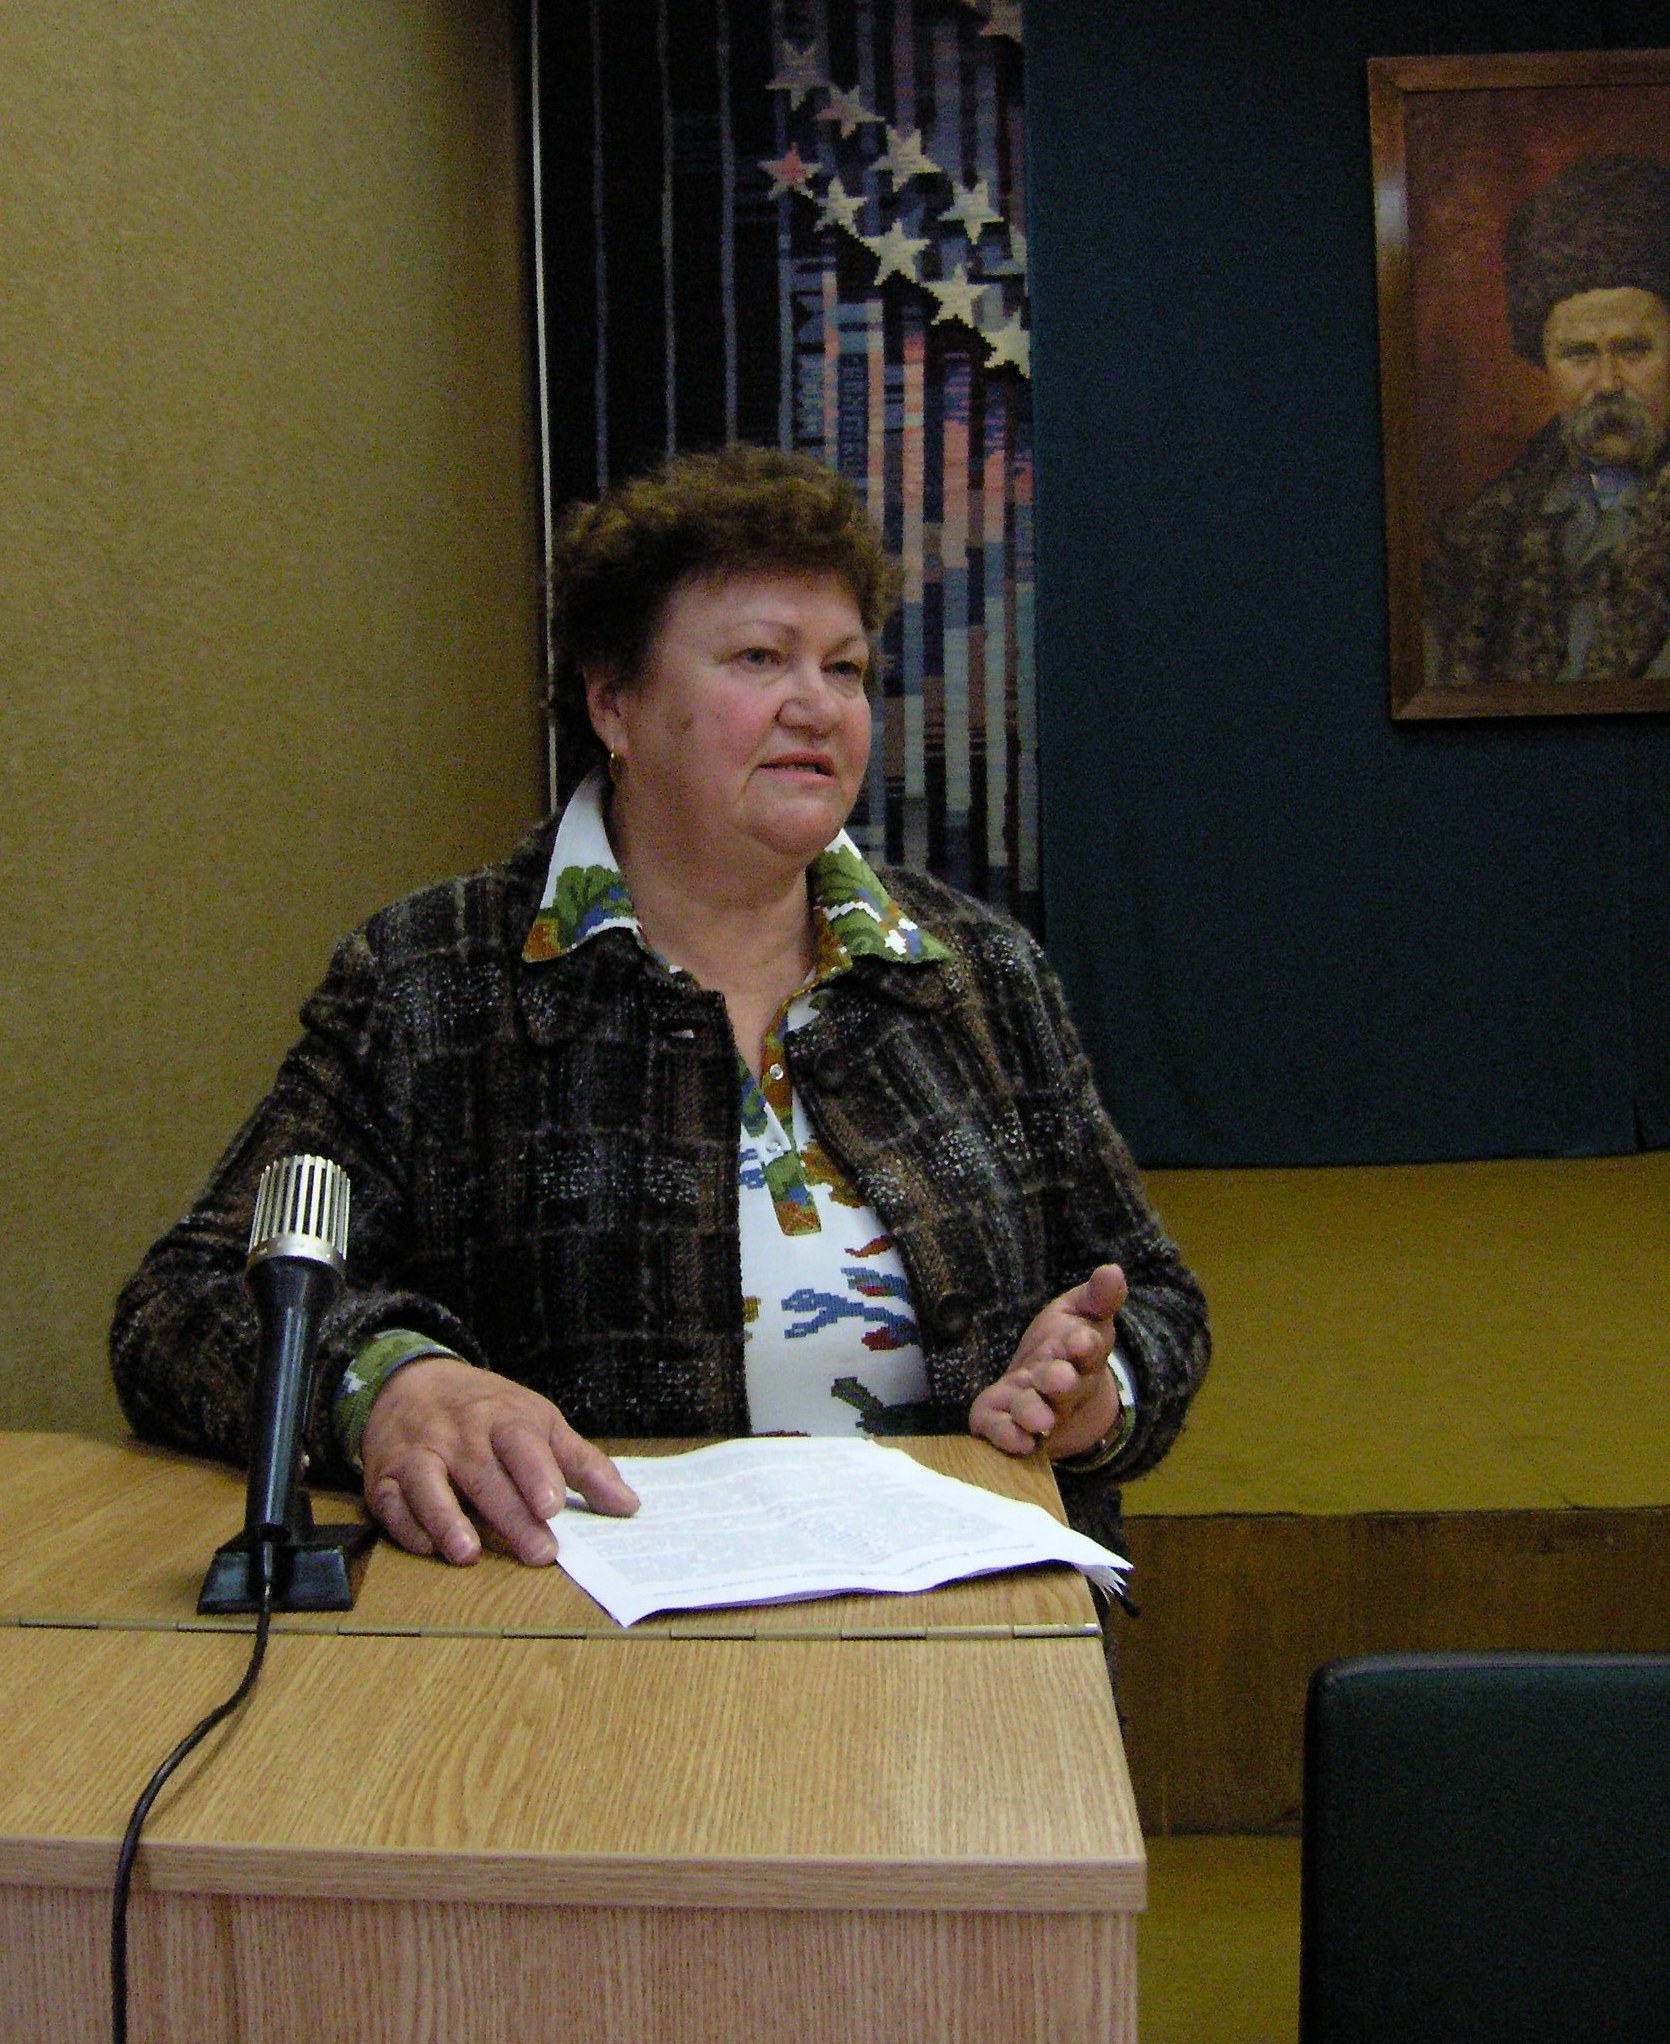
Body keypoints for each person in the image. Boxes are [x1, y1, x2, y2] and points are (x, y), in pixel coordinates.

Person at [111, 446, 1208, 1570]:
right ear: (614, 703)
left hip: (968, 1626)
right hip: (576, 1633)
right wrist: (389, 1383)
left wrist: (1100, 1393)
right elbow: (183, 1306)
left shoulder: (974, 972)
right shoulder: (430, 981)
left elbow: (1155, 1299)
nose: (816, 706)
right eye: (759, 658)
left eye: (843, 668)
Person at [1425, 153, 1670, 688]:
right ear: (1545, 364)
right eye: (1579, 355)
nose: (1607, 383)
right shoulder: (1481, 539)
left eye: (1633, 349)